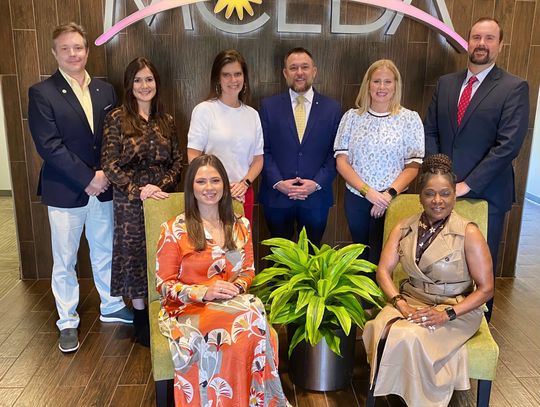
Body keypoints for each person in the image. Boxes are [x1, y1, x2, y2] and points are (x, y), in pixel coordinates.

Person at [27, 22, 132, 353]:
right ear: (54, 52)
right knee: (65, 258)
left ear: (87, 50)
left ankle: (112, 305)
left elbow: (112, 136)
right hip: (66, 190)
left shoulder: (105, 90)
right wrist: (88, 177)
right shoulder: (41, 93)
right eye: (65, 48)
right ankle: (67, 320)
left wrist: (103, 174)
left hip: (103, 186)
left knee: (104, 250)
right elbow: (49, 145)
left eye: (78, 47)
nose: (73, 53)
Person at [156, 155, 289, 406]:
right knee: (251, 319)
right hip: (188, 309)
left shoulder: (241, 225)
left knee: (252, 318)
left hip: (233, 302)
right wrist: (204, 292)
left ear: (225, 185)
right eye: (202, 181)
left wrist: (232, 289)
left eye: (215, 180)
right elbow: (163, 285)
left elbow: (248, 270)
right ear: (191, 187)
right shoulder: (174, 229)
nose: (209, 188)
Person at [362, 154, 494, 407]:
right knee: (382, 331)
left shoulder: (469, 232)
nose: (437, 200)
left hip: (456, 307)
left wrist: (448, 315)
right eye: (429, 193)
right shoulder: (404, 226)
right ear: (420, 196)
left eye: (445, 193)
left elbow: (486, 289)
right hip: (410, 300)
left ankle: (422, 401)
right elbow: (383, 271)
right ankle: (392, 395)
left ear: (454, 195)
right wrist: (401, 304)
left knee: (408, 335)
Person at [424, 17, 529, 321]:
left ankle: (479, 329)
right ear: (467, 42)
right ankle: (442, 323)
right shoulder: (446, 83)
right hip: (443, 194)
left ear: (499, 45)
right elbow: (430, 131)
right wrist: (439, 177)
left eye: (489, 38)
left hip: (485, 194)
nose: (481, 44)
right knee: (444, 261)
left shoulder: (513, 87)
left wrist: (467, 185)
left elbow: (508, 145)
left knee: (480, 267)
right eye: (476, 38)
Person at [101, 57, 183, 346]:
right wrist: (139, 190)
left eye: (149, 79)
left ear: (156, 83)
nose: (144, 85)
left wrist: (158, 188)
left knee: (164, 256)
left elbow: (178, 161)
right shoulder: (116, 118)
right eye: (138, 80)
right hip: (130, 201)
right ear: (129, 84)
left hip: (162, 198)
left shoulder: (166, 120)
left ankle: (165, 309)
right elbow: (109, 165)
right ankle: (140, 319)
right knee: (135, 257)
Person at [334, 59, 424, 264]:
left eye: (387, 82)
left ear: (396, 85)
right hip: (358, 198)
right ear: (368, 85)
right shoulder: (352, 117)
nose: (381, 87)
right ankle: (364, 297)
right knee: (362, 258)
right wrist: (370, 193)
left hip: (394, 199)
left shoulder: (409, 119)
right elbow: (342, 162)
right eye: (376, 81)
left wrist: (387, 195)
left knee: (390, 256)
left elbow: (413, 166)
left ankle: (388, 297)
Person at [259, 47, 342, 246]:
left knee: (312, 258)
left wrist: (316, 183)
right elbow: (263, 150)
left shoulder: (333, 108)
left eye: (304, 67)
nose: (299, 73)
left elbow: (336, 153)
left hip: (316, 198)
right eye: (293, 68)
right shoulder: (268, 106)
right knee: (278, 260)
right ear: (285, 73)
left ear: (314, 70)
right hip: (277, 197)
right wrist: (279, 182)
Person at [187, 49, 263, 225]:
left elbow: (258, 159)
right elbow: (193, 156)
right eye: (226, 75)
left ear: (244, 78)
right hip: (211, 194)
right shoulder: (205, 110)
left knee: (242, 246)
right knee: (213, 248)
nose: (233, 80)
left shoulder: (252, 114)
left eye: (237, 74)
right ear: (218, 78)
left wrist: (244, 184)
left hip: (243, 192)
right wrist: (213, 185)